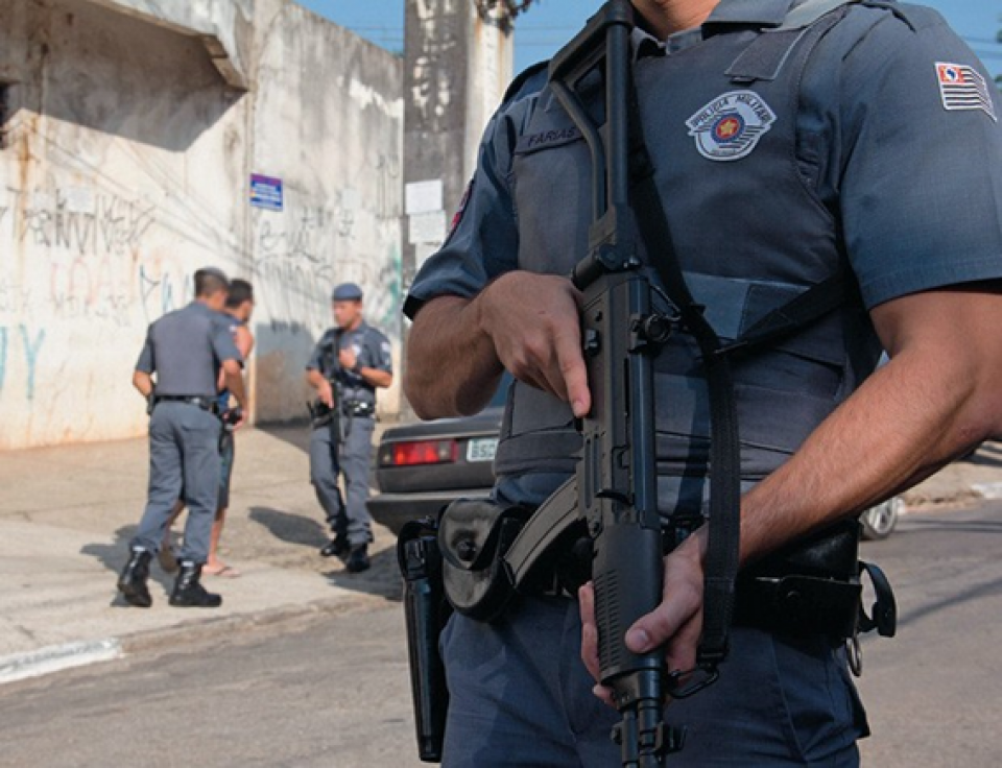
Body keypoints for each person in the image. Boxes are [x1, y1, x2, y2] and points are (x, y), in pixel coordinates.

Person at [402, 0, 1002, 765]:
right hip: (508, 664)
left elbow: (968, 368)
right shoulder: (543, 98)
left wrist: (713, 556)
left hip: (727, 651)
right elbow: (429, 379)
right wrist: (491, 308)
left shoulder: (869, 53)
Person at [118, 267, 247, 609]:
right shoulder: (215, 323)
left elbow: (140, 376)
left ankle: (135, 567)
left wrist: (159, 400)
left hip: (162, 413)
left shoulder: (161, 324)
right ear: (219, 295)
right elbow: (232, 368)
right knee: (202, 498)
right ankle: (187, 581)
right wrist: (243, 403)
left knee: (161, 494)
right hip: (197, 415)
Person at [159, 279, 256, 578]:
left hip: (178, 413)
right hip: (215, 418)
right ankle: (208, 557)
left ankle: (159, 530)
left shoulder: (196, 323)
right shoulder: (238, 332)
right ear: (246, 305)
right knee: (215, 491)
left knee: (187, 482)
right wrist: (241, 403)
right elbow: (228, 372)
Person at [306, 282, 393, 573]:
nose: (337, 312)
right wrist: (321, 385)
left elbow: (386, 379)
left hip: (357, 418)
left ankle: (358, 543)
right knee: (320, 476)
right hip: (327, 416)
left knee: (355, 479)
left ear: (358, 306)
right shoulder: (330, 339)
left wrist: (356, 367)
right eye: (334, 306)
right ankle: (341, 528)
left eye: (342, 306)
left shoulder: (373, 339)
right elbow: (312, 368)